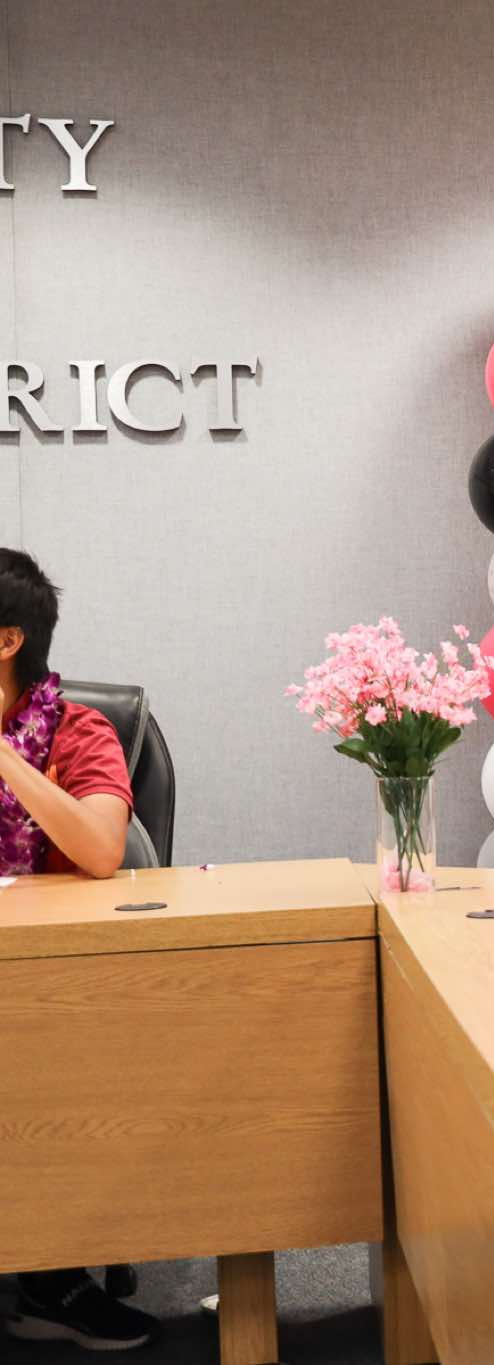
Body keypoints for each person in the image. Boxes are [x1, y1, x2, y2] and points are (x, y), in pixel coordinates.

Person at [1, 548, 160, 1351]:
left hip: (51, 985)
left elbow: (101, 849)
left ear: (7, 640)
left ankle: (51, 1279)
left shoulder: (78, 730)